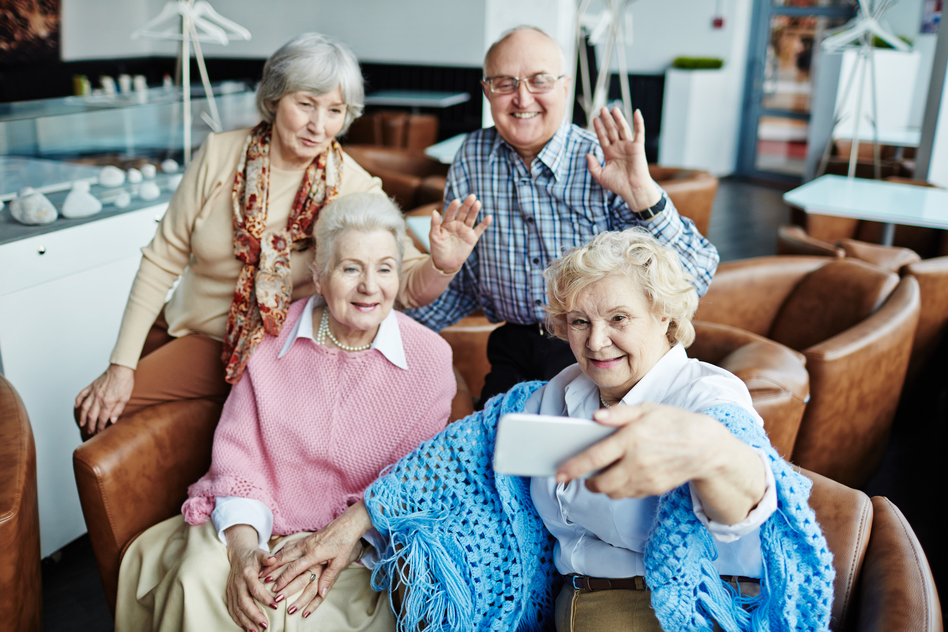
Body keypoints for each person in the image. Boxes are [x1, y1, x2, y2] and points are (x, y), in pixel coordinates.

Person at [365, 229, 834, 632]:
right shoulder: (561, 391)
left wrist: (711, 454)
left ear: (665, 315)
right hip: (566, 603)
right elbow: (459, 454)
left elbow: (749, 497)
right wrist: (362, 518)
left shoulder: (708, 397)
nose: (595, 341)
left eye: (618, 319)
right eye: (579, 322)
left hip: (660, 609)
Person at [75, 32, 488, 436]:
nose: (318, 125)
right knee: (92, 409)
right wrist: (121, 364)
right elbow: (163, 258)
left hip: (263, 346)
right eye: (305, 104)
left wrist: (441, 264)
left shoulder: (352, 185)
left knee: (105, 418)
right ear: (274, 98)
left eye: (334, 110)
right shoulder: (220, 153)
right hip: (181, 323)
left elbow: (407, 286)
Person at [115, 193, 456, 632]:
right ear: (318, 275)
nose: (370, 286)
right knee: (198, 578)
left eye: (385, 268)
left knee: (293, 612)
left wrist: (341, 545)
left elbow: (413, 484)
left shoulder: (428, 360)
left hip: (353, 544)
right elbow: (239, 458)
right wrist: (242, 550)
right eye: (351, 268)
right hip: (249, 519)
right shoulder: (271, 341)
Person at [407, 25, 719, 405]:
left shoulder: (603, 157)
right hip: (514, 346)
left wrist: (642, 193)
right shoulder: (471, 158)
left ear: (565, 86)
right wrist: (389, 330)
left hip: (598, 347)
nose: (522, 98)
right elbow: (468, 282)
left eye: (539, 81)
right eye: (505, 83)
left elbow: (696, 274)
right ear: (487, 90)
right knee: (495, 449)